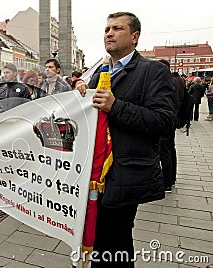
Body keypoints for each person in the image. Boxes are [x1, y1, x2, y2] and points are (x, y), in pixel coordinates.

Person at [75, 12, 174, 267]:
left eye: (117, 28)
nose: (109, 33)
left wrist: (116, 106)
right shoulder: (100, 71)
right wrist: (81, 95)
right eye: (106, 28)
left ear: (134, 37)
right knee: (97, 240)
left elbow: (163, 122)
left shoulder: (152, 71)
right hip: (97, 174)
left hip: (126, 174)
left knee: (117, 243)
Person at [158, 59, 185, 192]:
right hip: (175, 118)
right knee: (170, 148)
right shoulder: (179, 80)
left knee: (164, 150)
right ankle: (172, 178)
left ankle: (167, 182)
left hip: (167, 120)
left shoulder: (167, 81)